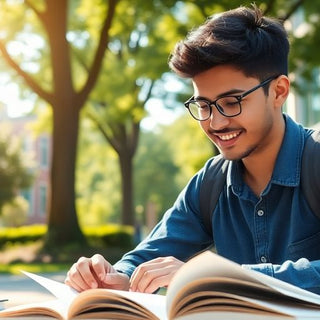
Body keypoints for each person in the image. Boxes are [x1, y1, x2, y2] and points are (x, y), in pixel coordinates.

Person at [65, 5, 320, 294]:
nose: (216, 121)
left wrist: (215, 276)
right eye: (203, 105)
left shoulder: (315, 158)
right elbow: (146, 257)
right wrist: (112, 276)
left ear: (278, 92)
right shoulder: (210, 183)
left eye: (232, 101)